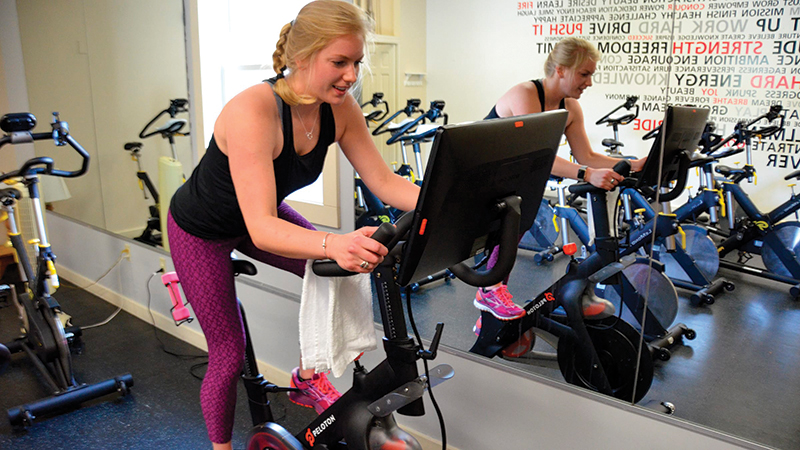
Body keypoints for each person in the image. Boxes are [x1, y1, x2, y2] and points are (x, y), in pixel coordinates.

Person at [166, 2, 419, 449]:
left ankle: (306, 377)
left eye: (356, 62)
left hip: (256, 216)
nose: (351, 75)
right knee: (227, 354)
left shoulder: (338, 110)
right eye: (339, 62)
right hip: (201, 230)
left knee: (332, 275)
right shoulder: (253, 110)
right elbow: (263, 229)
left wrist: (449, 198)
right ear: (300, 57)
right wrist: (332, 241)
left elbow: (383, 182)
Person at [474, 37, 647, 321]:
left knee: (519, 220)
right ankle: (489, 291)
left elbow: (586, 156)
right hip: (480, 174)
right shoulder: (525, 94)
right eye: (584, 74)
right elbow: (538, 158)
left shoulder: (570, 108)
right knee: (511, 222)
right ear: (562, 69)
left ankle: (489, 314)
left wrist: (634, 164)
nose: (589, 82)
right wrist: (588, 174)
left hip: (513, 180)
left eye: (591, 75)